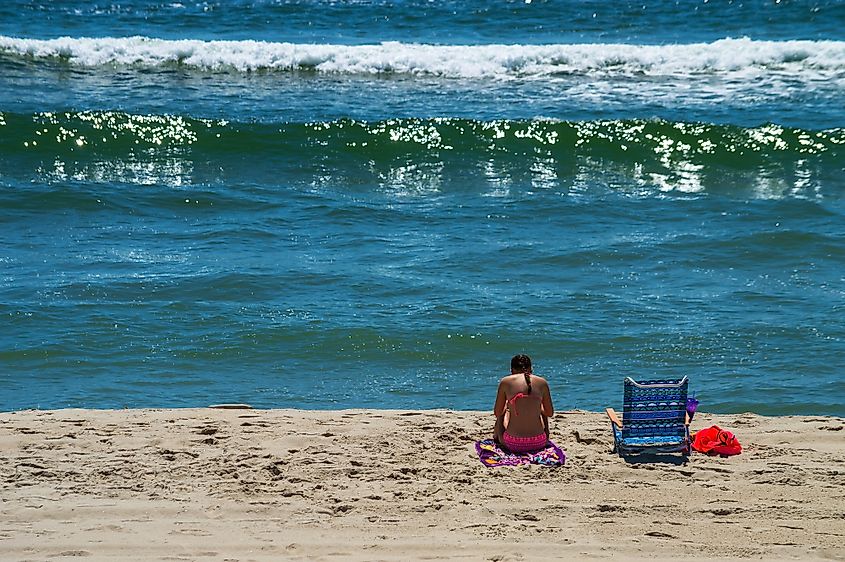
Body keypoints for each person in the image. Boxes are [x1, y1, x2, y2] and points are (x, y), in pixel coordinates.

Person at [493, 354, 554, 453]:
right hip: (539, 442)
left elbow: (497, 412)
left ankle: (496, 436)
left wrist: (508, 407)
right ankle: (546, 433)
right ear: (531, 368)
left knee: (503, 411)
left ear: (512, 370)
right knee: (541, 409)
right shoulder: (542, 382)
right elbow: (550, 413)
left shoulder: (505, 381)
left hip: (512, 443)